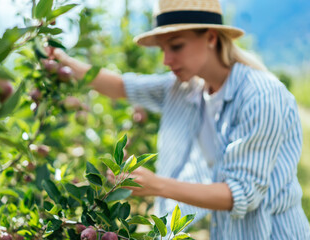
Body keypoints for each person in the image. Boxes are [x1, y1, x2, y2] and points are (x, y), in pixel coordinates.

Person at [48, 0, 310, 238]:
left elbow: (240, 194)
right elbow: (121, 86)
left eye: (176, 46)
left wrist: (156, 185)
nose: (166, 59)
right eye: (163, 49)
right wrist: (65, 62)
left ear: (210, 37)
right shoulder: (186, 89)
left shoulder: (260, 96)